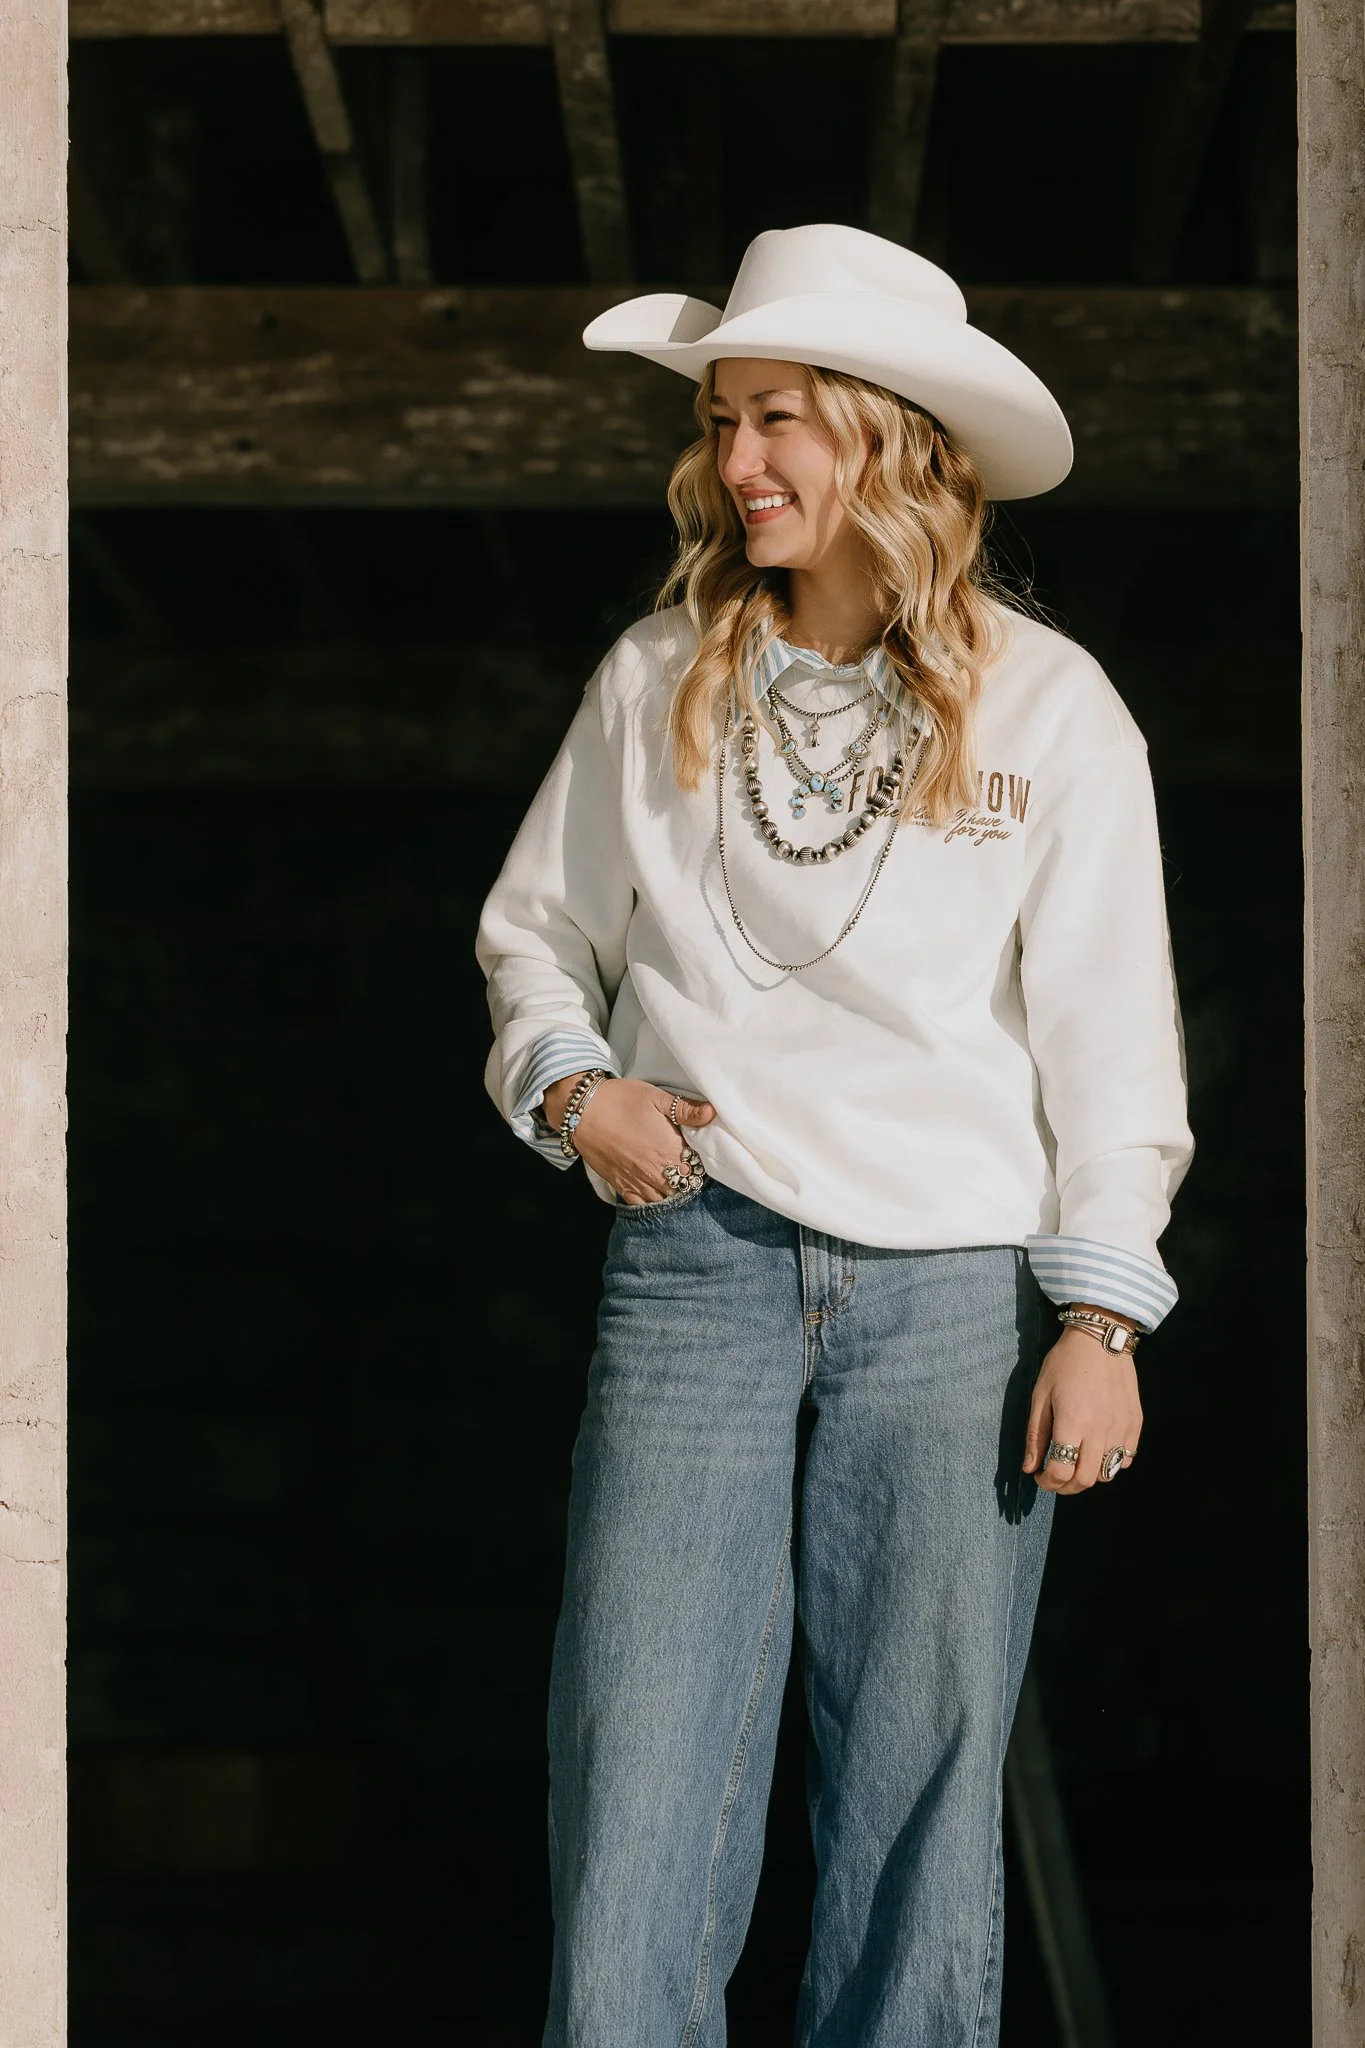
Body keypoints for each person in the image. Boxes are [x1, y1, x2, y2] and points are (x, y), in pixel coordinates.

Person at [475, 222, 1193, 2048]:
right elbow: (537, 932)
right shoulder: (656, 680)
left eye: (778, 417)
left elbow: (1114, 1043)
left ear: (890, 436)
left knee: (920, 1799)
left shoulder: (1054, 707)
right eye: (721, 420)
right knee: (637, 1774)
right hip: (696, 1273)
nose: (736, 464)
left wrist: (1101, 1321)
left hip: (957, 1305)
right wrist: (576, 1090)